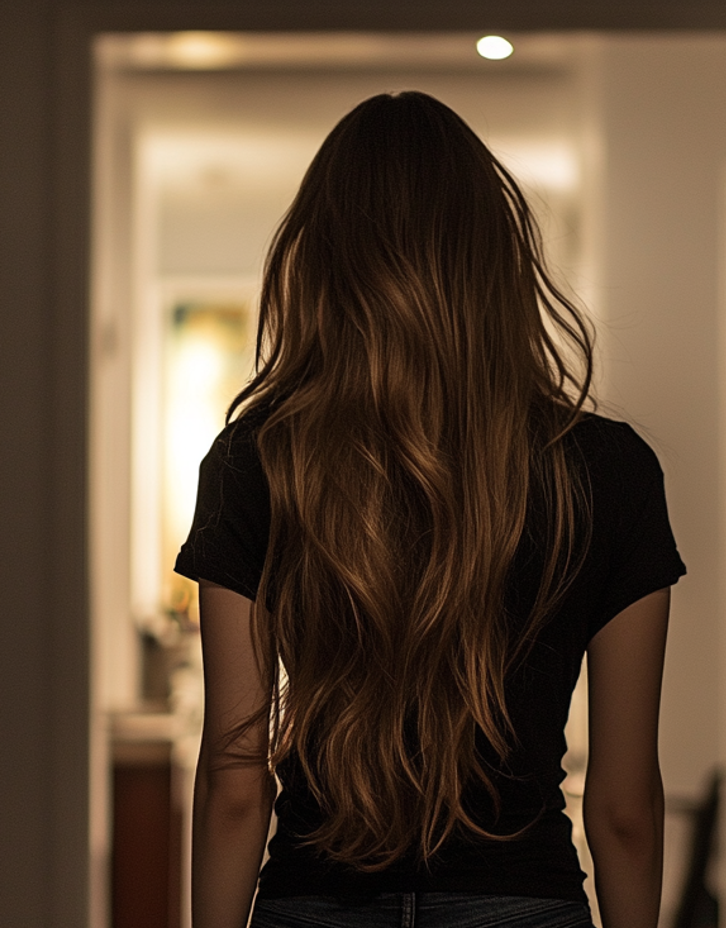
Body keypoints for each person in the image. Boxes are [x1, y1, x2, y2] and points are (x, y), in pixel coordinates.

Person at [175, 91, 685, 928]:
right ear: (494, 256)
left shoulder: (257, 460)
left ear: (323, 257)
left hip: (315, 904)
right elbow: (626, 809)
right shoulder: (610, 471)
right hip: (523, 906)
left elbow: (236, 784)